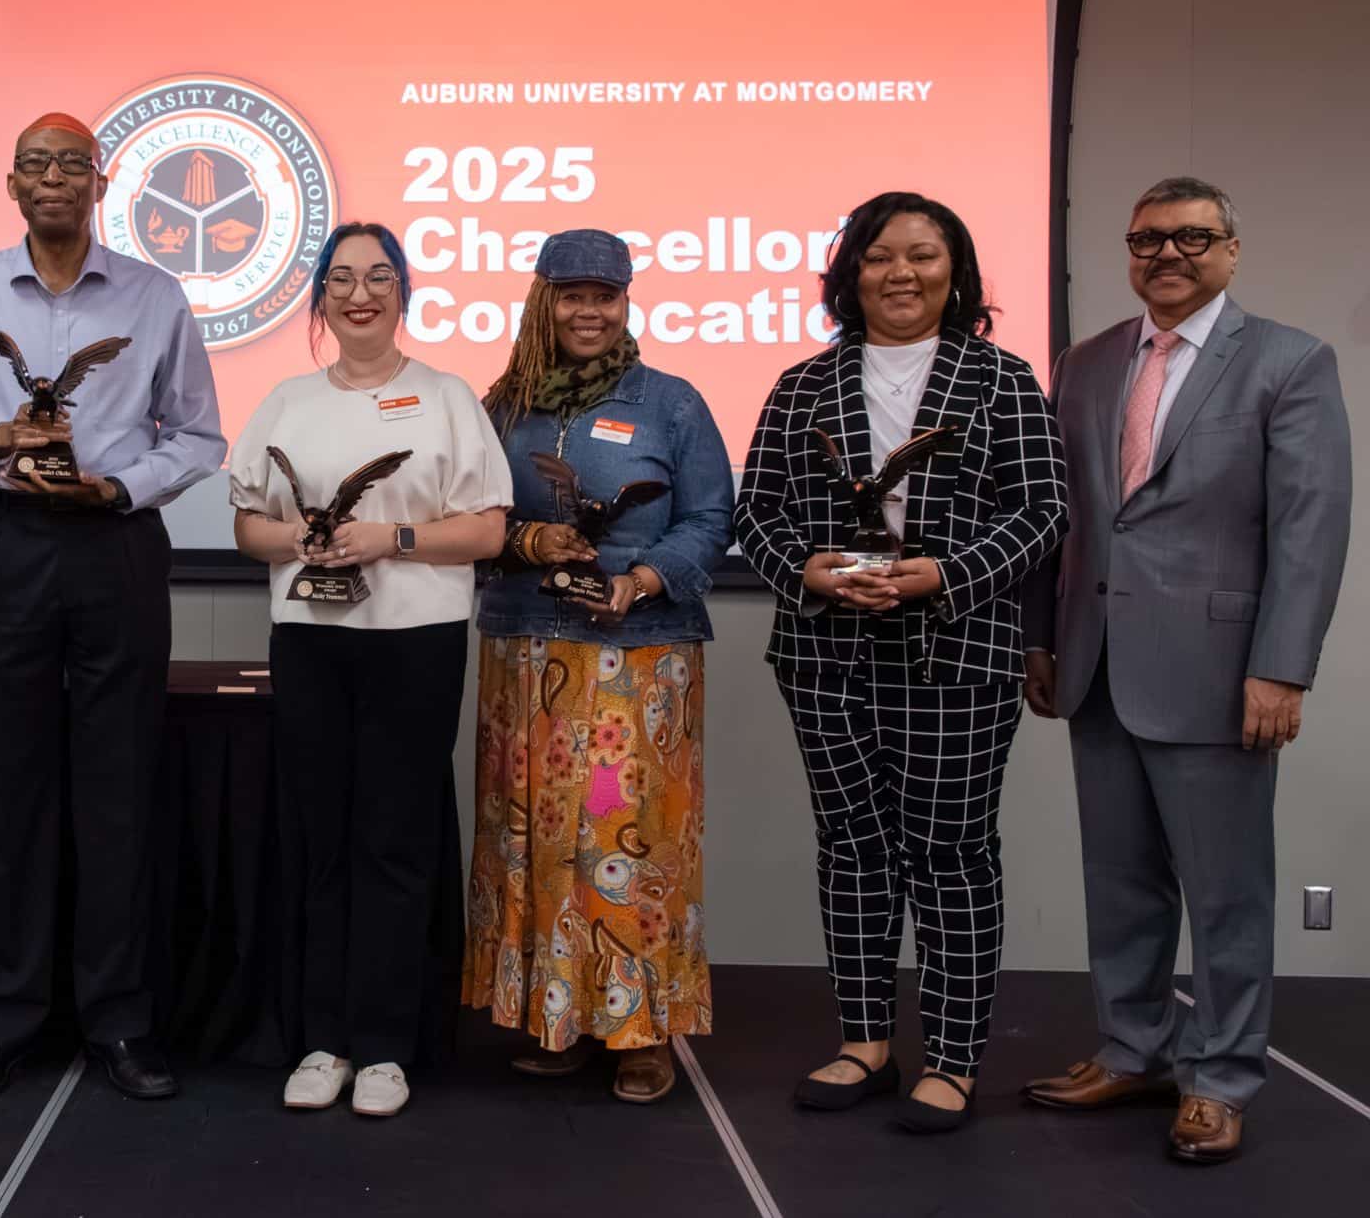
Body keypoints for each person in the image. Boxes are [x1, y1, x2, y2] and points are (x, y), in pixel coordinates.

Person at [1019, 177, 1350, 1163]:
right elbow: (1056, 516)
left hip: (1220, 670)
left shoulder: (1289, 361)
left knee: (1224, 892)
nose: (1166, 254)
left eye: (1192, 238)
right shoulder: (1083, 363)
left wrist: (1281, 669)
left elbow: (1309, 530)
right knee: (1119, 882)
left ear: (1231, 251)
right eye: (1147, 239)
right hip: (1093, 662)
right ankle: (1134, 1050)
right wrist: (1039, 637)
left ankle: (1220, 1077)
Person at [0, 112, 224, 1103]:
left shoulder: (153, 293)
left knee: (117, 789)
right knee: (5, 789)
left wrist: (119, 487)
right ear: (11, 183)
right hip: (2, 545)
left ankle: (119, 1021)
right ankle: (2, 1018)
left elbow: (198, 436)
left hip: (113, 544)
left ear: (100, 181)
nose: (53, 177)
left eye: (71, 163)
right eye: (35, 163)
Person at [734, 191, 1066, 1132]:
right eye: (879, 256)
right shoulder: (803, 384)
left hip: (957, 651)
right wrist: (805, 568)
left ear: (956, 271)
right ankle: (866, 1042)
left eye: (923, 254)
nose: (901, 273)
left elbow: (1043, 510)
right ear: (851, 274)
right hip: (824, 651)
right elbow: (754, 510)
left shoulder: (1002, 379)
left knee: (951, 853)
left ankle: (953, 1058)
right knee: (851, 851)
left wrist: (945, 573)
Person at [228, 221, 510, 1117]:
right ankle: (324, 1040)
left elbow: (488, 529)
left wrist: (392, 537)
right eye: (342, 278)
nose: (361, 293)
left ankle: (386, 1046)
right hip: (310, 639)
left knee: (394, 838)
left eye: (379, 276)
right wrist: (302, 538)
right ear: (320, 297)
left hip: (415, 641)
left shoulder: (447, 397)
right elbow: (248, 526)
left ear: (403, 293)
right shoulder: (286, 401)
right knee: (320, 838)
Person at [462, 229, 733, 1106]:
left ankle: (641, 1028)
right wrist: (527, 539)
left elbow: (711, 517)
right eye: (572, 295)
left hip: (639, 656)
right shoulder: (502, 406)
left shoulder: (671, 403)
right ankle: (560, 1018)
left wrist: (642, 578)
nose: (590, 312)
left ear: (626, 302)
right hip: (525, 648)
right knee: (533, 842)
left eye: (605, 296)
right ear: (543, 301)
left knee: (628, 844)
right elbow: (466, 515)